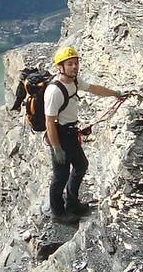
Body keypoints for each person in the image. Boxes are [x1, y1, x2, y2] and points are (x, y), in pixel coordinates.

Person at [45, 46, 126, 224]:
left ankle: (72, 202)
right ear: (61, 67)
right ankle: (57, 213)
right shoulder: (54, 91)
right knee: (61, 176)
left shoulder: (74, 81)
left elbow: (94, 89)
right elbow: (49, 122)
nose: (74, 67)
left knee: (81, 165)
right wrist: (57, 148)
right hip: (59, 135)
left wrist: (115, 94)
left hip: (70, 132)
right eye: (70, 64)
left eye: (76, 63)